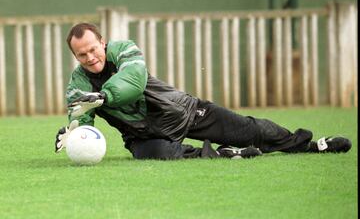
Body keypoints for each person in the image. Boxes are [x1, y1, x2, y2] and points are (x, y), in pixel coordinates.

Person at [55, 22, 352, 160]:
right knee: (156, 154)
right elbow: (79, 114)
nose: (90, 58)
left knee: (250, 129)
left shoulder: (124, 50)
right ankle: (227, 154)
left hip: (183, 111)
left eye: (93, 49)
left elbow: (133, 82)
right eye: (82, 55)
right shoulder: (78, 83)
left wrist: (104, 96)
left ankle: (310, 146)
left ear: (102, 43)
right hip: (146, 136)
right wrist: (74, 131)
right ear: (76, 57)